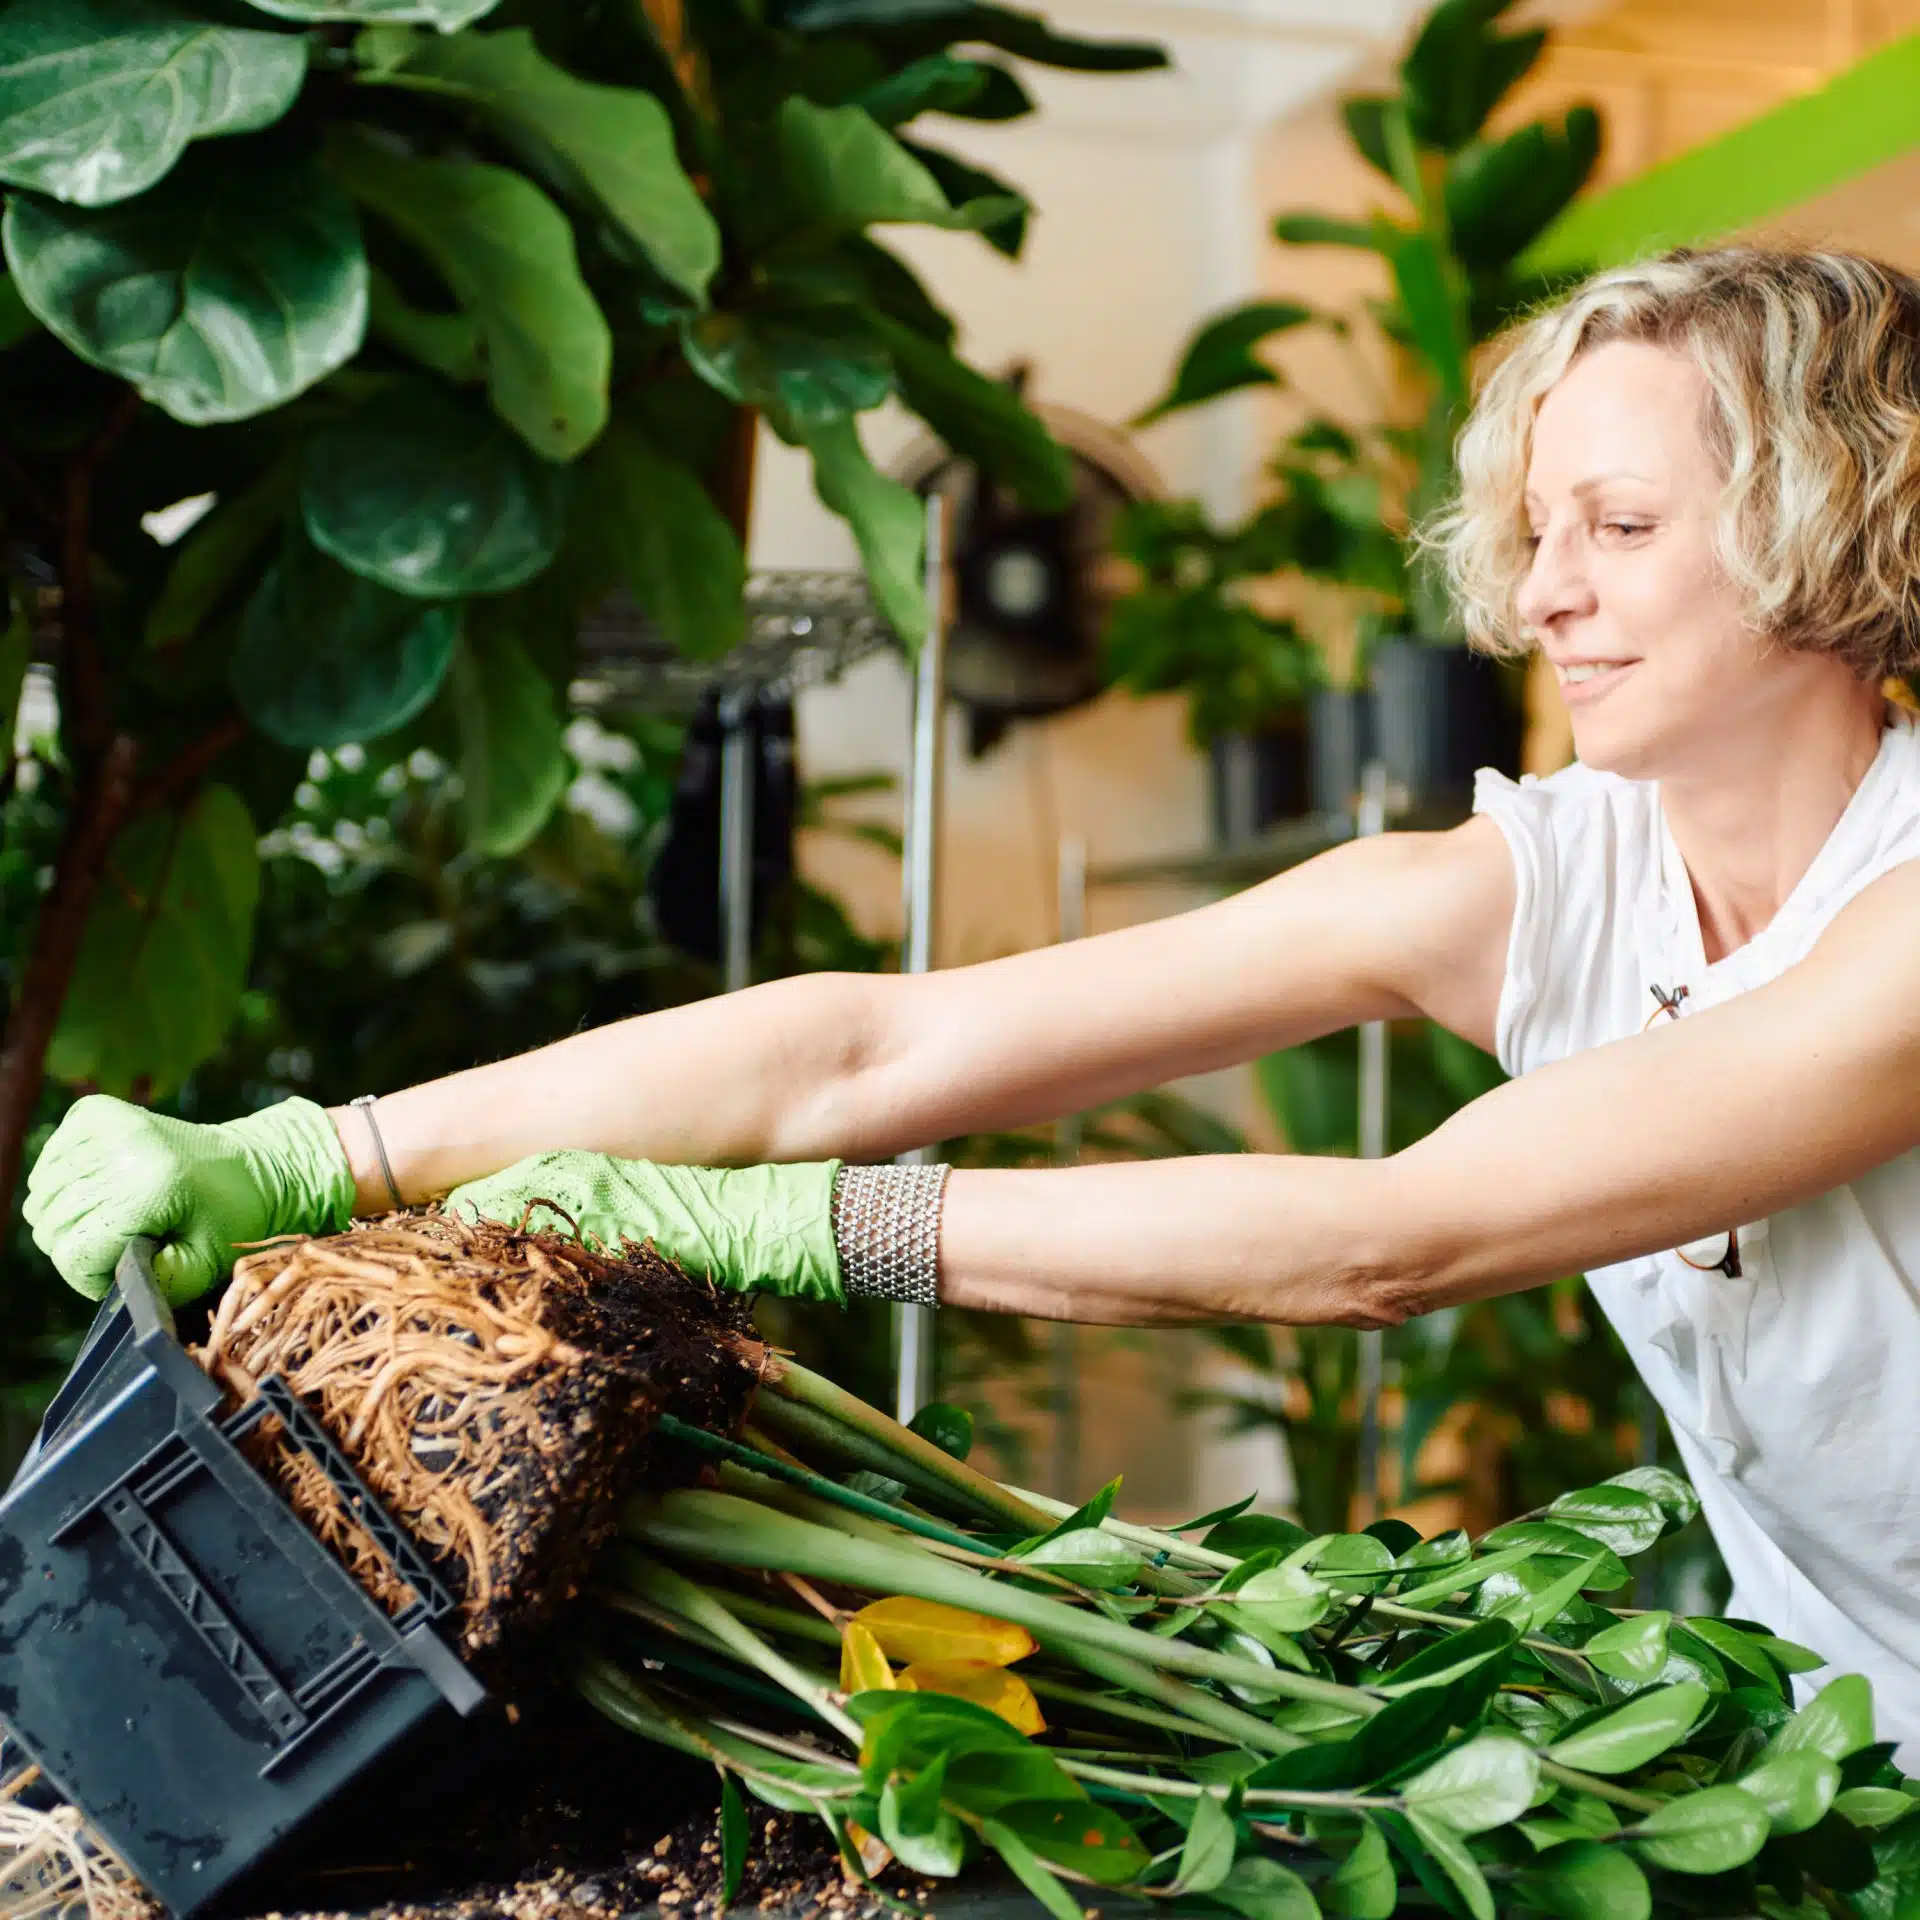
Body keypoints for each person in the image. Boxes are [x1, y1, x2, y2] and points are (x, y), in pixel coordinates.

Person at [24, 244, 1920, 1758]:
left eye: (1622, 528)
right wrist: (332, 1152)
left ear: (1826, 523)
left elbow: (1393, 1235)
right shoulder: (1545, 882)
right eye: (1536, 532)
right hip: (1836, 1727)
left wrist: (794, 1225)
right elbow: (887, 1040)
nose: (1539, 599)